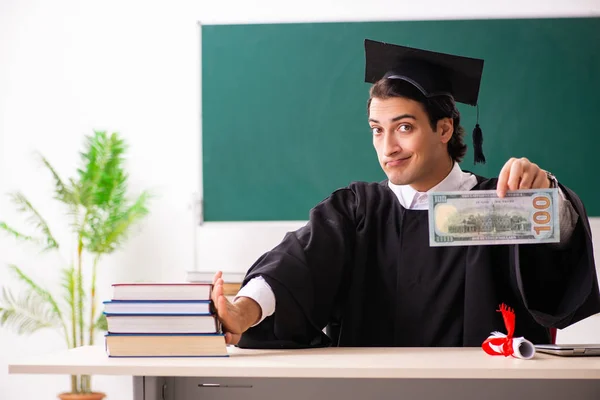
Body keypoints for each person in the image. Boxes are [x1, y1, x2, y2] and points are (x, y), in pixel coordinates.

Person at [210, 39, 600, 349]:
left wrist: (546, 194)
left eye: (404, 127)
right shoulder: (358, 210)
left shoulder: (496, 204)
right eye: (377, 129)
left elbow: (557, 260)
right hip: (376, 389)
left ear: (444, 129)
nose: (388, 147)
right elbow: (298, 264)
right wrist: (244, 310)